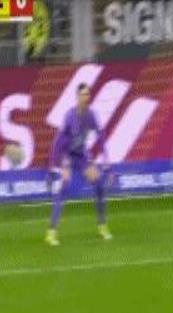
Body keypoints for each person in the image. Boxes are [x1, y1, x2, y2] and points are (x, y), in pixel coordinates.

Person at [45, 83, 112, 246]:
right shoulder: (69, 116)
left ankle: (102, 225)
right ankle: (51, 233)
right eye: (83, 94)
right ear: (77, 97)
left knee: (100, 186)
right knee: (63, 191)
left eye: (88, 94)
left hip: (82, 157)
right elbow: (57, 143)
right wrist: (53, 166)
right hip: (67, 157)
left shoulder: (91, 115)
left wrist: (106, 160)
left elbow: (101, 136)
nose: (86, 97)